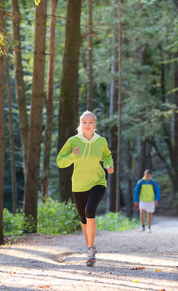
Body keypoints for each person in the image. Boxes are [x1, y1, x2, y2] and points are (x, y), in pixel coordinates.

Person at [56, 111, 114, 267]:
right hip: (79, 184)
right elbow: (60, 162)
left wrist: (109, 165)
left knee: (90, 212)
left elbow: (107, 156)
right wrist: (72, 156)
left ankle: (89, 250)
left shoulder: (101, 141)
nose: (87, 125)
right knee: (83, 218)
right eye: (84, 122)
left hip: (98, 181)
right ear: (80, 124)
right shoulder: (73, 141)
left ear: (94, 124)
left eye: (90, 122)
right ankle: (91, 247)